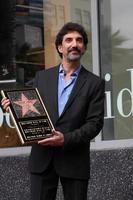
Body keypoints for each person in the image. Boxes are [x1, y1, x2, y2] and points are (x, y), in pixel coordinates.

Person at [1, 22, 105, 200]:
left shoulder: (94, 83)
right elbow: (33, 110)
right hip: (42, 159)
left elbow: (94, 124)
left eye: (79, 40)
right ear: (60, 47)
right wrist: (14, 109)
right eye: (69, 40)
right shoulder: (42, 77)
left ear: (84, 48)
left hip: (74, 161)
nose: (74, 44)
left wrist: (65, 139)